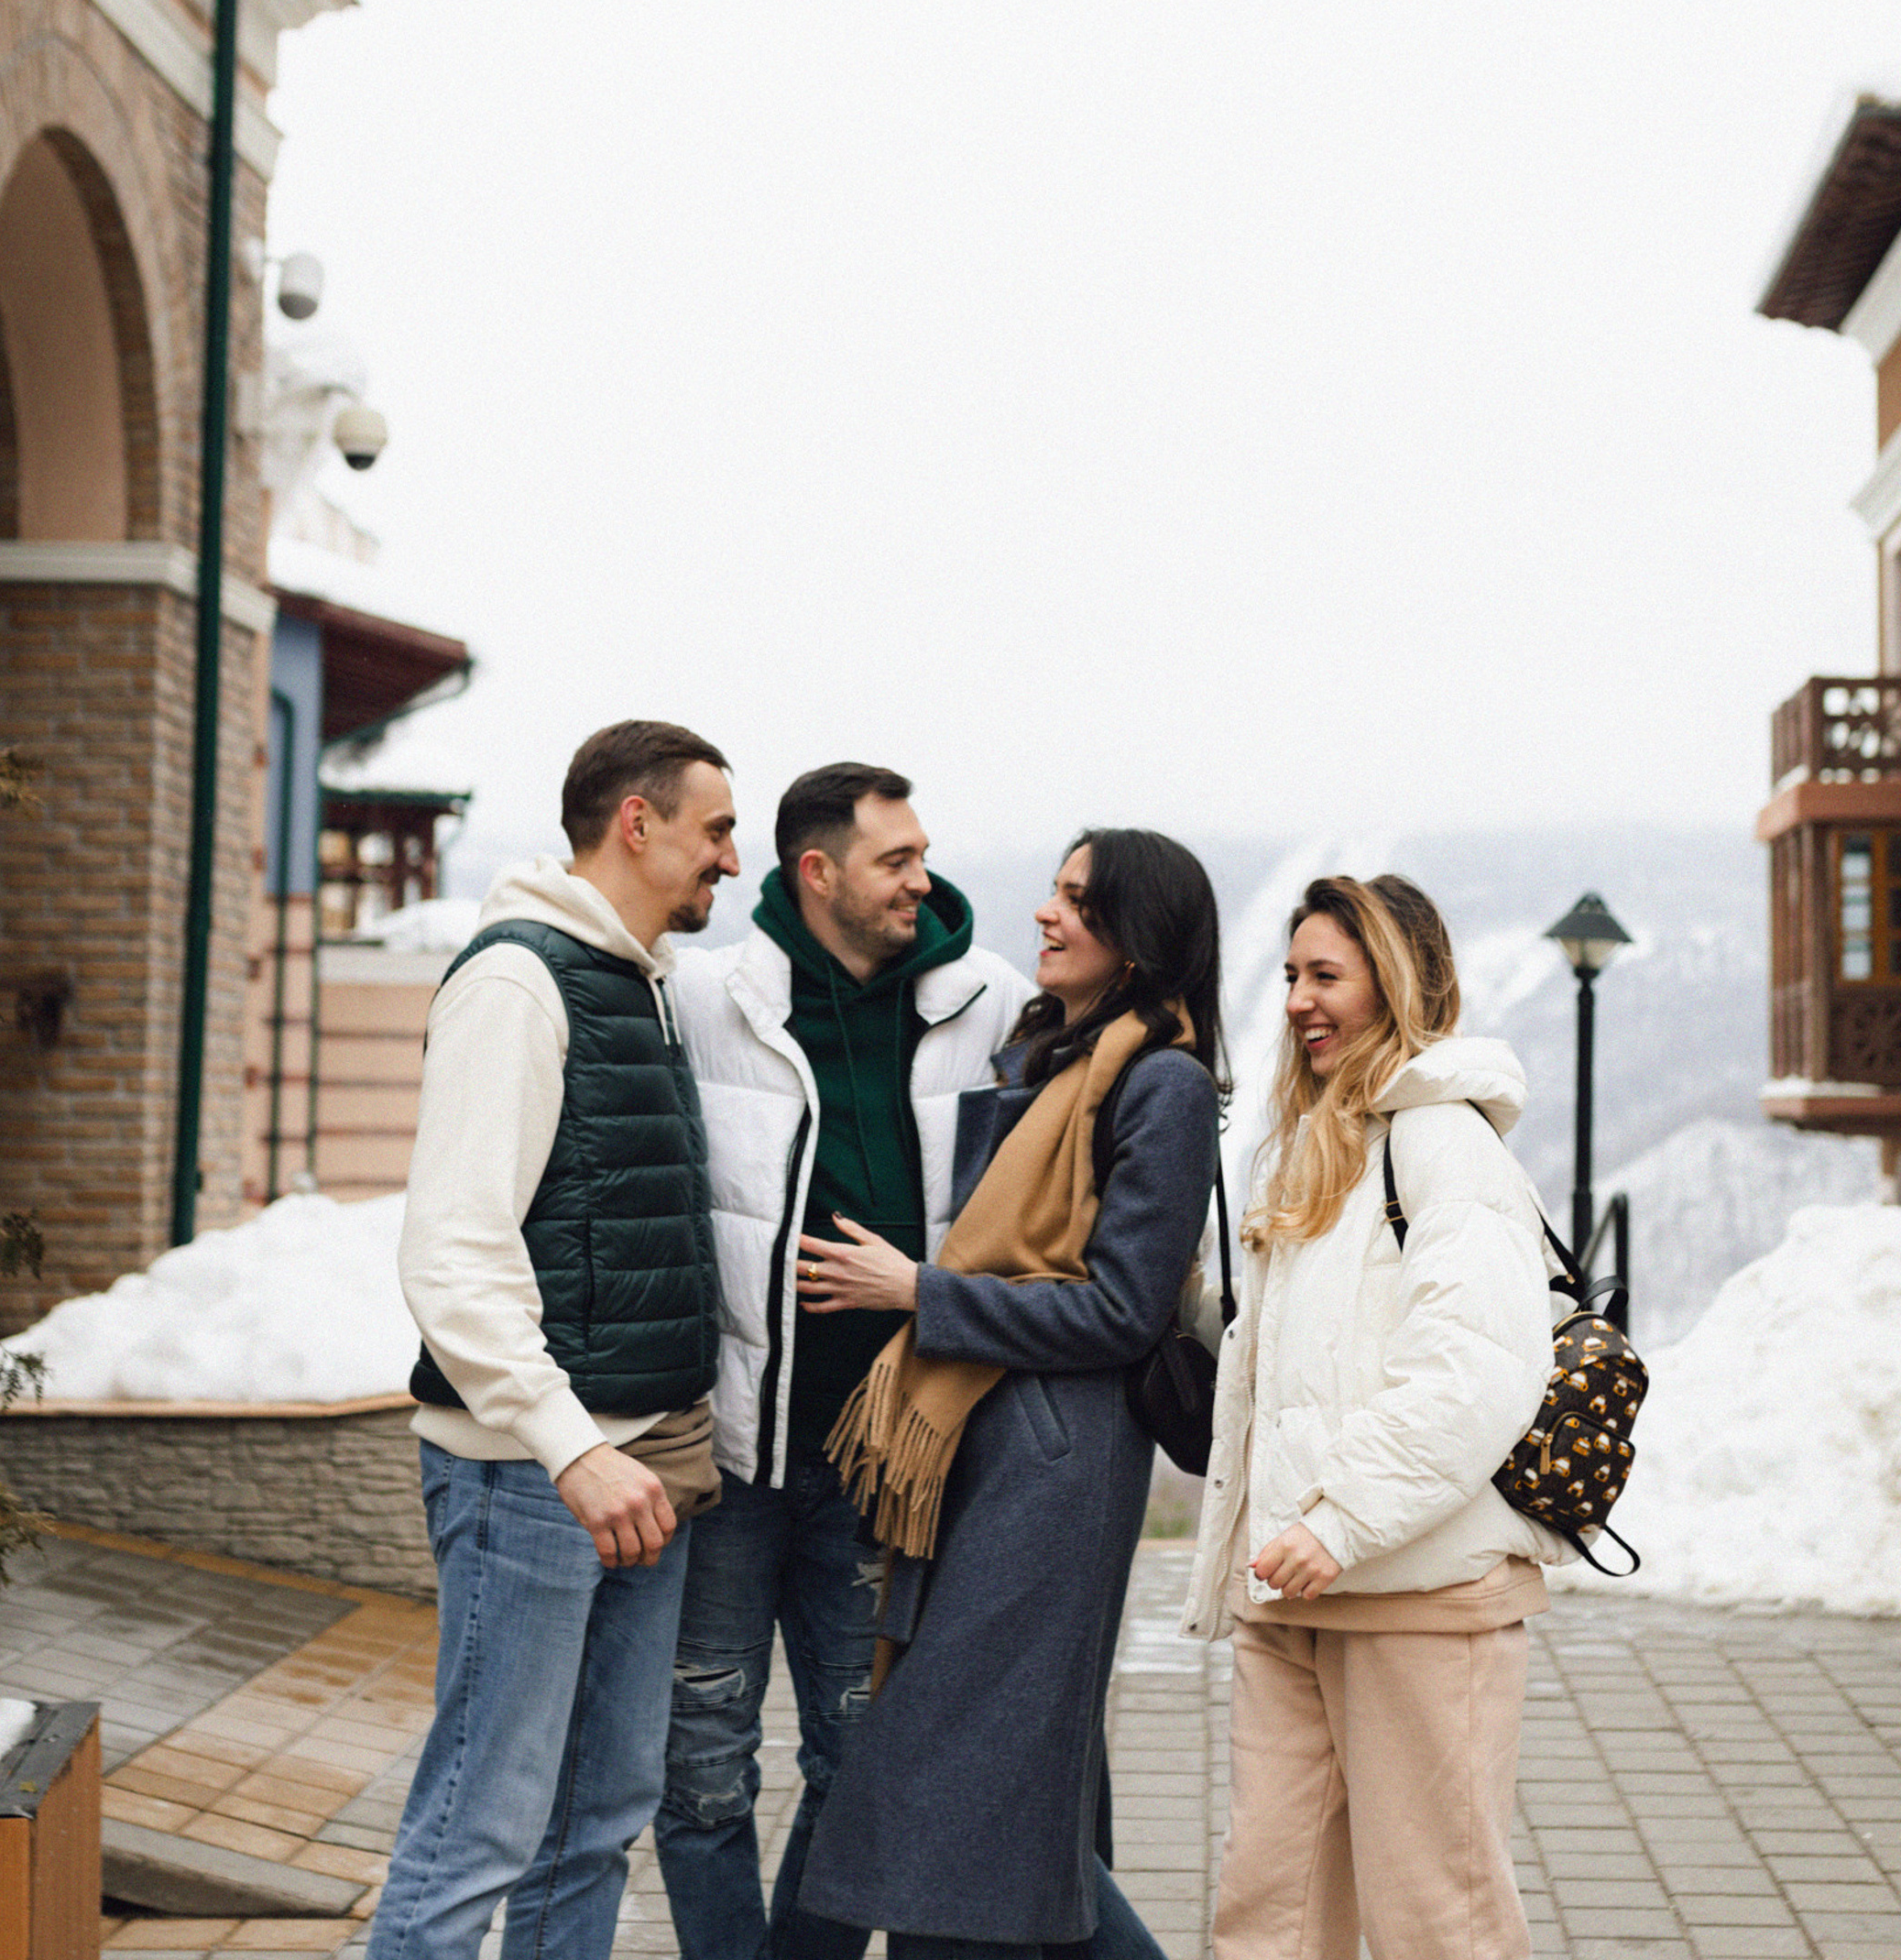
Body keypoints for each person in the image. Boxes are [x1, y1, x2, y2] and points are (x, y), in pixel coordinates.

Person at [791, 828, 1228, 1960]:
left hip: (1055, 1477)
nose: (1046, 913)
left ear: (1135, 937)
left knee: (950, 1794)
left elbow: (1121, 1313)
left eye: (1077, 900)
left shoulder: (1161, 1084)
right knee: (996, 1811)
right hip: (987, 1458)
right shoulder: (1055, 1060)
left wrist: (919, 1292)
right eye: (1053, 890)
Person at [366, 721, 742, 1960]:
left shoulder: (641, 978)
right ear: (638, 824)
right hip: (535, 1479)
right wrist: (569, 1448)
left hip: (638, 1473)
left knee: (593, 1823)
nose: (729, 862)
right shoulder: (518, 980)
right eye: (716, 831)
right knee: (482, 1824)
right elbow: (453, 1256)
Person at [657, 764, 1032, 1960]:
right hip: (727, 1462)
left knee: (863, 1767)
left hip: (883, 1468)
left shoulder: (990, 1008)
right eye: (894, 862)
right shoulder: (707, 999)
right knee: (705, 1775)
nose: (922, 882)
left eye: (922, 855)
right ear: (817, 873)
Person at [1181, 873, 1561, 1960]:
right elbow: (1308, 1362)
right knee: (1271, 1914)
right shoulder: (1319, 1146)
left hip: (1416, 1598)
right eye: (1292, 974)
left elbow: (1473, 1372)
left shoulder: (1443, 1147)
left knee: (1436, 1921)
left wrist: (1337, 1519)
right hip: (1295, 1595)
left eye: (1328, 976)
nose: (1300, 999)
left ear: (1394, 988)